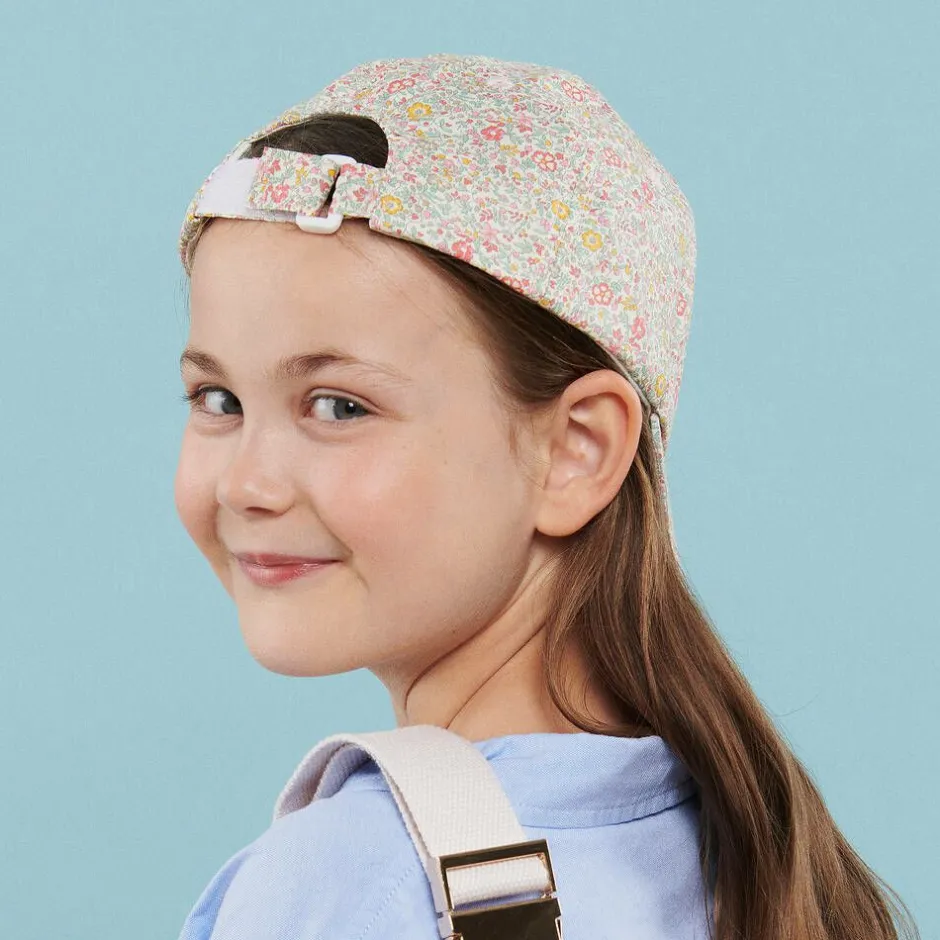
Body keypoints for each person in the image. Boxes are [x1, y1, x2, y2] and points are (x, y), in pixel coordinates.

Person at [173, 54, 920, 940]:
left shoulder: (352, 880)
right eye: (217, 400)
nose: (248, 484)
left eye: (339, 406)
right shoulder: (740, 855)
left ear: (575, 452)